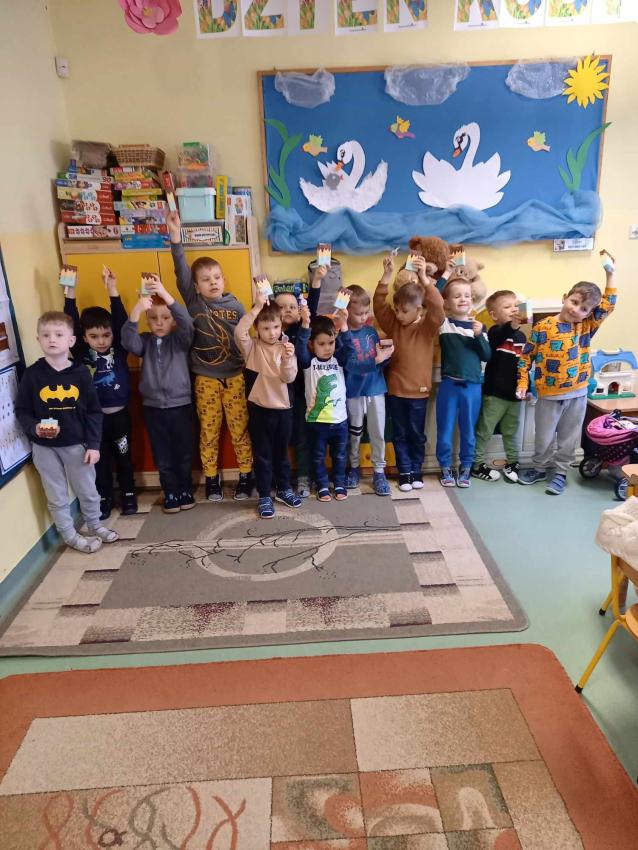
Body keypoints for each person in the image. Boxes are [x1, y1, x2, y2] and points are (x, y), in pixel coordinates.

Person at [166, 210, 252, 502]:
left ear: (223, 280)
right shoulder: (194, 302)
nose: (212, 282)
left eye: (216, 277)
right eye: (205, 279)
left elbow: (246, 340)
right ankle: (212, 480)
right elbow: (180, 270)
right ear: (196, 286)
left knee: (240, 429)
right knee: (209, 431)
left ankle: (246, 475)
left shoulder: (237, 306)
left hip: (235, 376)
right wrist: (175, 236)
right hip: (205, 379)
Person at [15, 311, 119, 553]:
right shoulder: (32, 374)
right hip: (44, 447)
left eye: (58, 335)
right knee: (57, 495)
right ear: (38, 340)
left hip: (77, 445)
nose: (52, 339)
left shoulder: (81, 373)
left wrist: (93, 445)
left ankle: (95, 525)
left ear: (71, 340)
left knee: (88, 490)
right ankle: (69, 535)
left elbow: (94, 412)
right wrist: (34, 427)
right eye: (46, 335)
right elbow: (22, 410)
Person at [517, 267, 618, 495]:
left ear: (588, 313)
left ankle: (561, 473)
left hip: (577, 393)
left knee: (569, 437)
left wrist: (610, 274)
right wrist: (522, 383)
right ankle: (540, 468)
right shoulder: (543, 327)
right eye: (574, 302)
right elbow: (526, 357)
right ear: (565, 298)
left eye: (584, 309)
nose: (576, 310)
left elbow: (608, 305)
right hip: (548, 394)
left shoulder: (586, 326)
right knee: (543, 437)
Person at [64, 266, 137, 520]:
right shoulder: (81, 353)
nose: (102, 340)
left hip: (120, 417)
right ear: (83, 338)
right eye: (94, 336)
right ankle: (104, 497)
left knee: (124, 458)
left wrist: (112, 289)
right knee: (100, 460)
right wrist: (70, 292)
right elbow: (70, 323)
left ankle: (128, 495)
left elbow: (121, 321)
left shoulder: (119, 347)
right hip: (93, 420)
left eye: (106, 335)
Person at [121, 275, 196, 514]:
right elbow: (128, 341)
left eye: (165, 318)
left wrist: (165, 295)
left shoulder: (180, 340)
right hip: (153, 409)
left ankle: (185, 489)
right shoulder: (144, 342)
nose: (159, 323)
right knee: (162, 455)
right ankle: (170, 491)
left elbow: (187, 322)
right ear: (147, 320)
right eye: (153, 318)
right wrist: (136, 310)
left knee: (184, 453)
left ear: (172, 320)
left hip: (181, 406)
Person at [373, 254, 445, 492]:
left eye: (404, 311)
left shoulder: (426, 328)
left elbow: (438, 308)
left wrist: (424, 279)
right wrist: (386, 276)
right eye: (397, 310)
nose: (398, 314)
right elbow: (379, 306)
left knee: (417, 434)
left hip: (419, 393)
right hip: (396, 392)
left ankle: (416, 470)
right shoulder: (394, 325)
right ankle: (404, 471)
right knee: (400, 434)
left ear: (418, 309)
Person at [235, 292, 300, 518]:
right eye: (265, 328)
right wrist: (256, 308)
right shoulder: (251, 348)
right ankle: (264, 495)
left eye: (276, 327)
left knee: (282, 454)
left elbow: (289, 377)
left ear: (281, 325)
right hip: (259, 411)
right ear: (257, 328)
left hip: (283, 411)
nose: (272, 332)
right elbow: (239, 332)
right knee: (262, 455)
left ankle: (284, 489)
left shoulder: (286, 348)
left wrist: (288, 359)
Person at [274, 266, 326, 498]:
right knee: (281, 439)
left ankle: (304, 476)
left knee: (303, 438)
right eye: (281, 307)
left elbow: (311, 307)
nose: (287, 310)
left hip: (301, 394)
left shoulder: (301, 328)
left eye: (292, 307)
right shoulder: (270, 333)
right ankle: (280, 478)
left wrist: (316, 281)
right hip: (277, 396)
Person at [436, 278, 492, 488]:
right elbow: (433, 298)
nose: (463, 299)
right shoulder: (444, 324)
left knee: (468, 430)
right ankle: (445, 466)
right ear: (447, 302)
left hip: (472, 387)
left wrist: (478, 335)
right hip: (449, 386)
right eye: (457, 295)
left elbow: (487, 355)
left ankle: (466, 466)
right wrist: (445, 274)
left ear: (473, 299)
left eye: (467, 295)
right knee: (445, 429)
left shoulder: (479, 327)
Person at [295, 308, 354, 502]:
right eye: (321, 344)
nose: (327, 348)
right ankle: (322, 484)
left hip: (340, 421)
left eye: (331, 342)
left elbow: (350, 349)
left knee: (340, 456)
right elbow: (300, 347)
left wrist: (344, 325)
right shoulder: (308, 362)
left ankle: (339, 483)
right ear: (312, 345)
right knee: (318, 456)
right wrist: (305, 324)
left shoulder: (339, 360)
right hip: (316, 422)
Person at [343, 284, 394, 496]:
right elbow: (351, 365)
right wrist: (378, 360)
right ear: (347, 311)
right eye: (359, 313)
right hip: (354, 392)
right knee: (354, 433)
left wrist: (386, 356)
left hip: (375, 389)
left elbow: (379, 362)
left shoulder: (371, 332)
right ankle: (354, 467)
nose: (364, 317)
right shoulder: (343, 335)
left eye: (366, 312)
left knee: (377, 432)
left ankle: (379, 471)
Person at [471, 290, 527, 483]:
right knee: (485, 430)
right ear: (494, 315)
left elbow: (523, 364)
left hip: (515, 396)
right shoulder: (494, 332)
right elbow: (502, 334)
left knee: (511, 432)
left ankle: (513, 462)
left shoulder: (521, 337)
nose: (513, 309)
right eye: (507, 307)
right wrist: (513, 325)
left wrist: (526, 387)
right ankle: (477, 464)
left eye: (515, 306)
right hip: (495, 394)